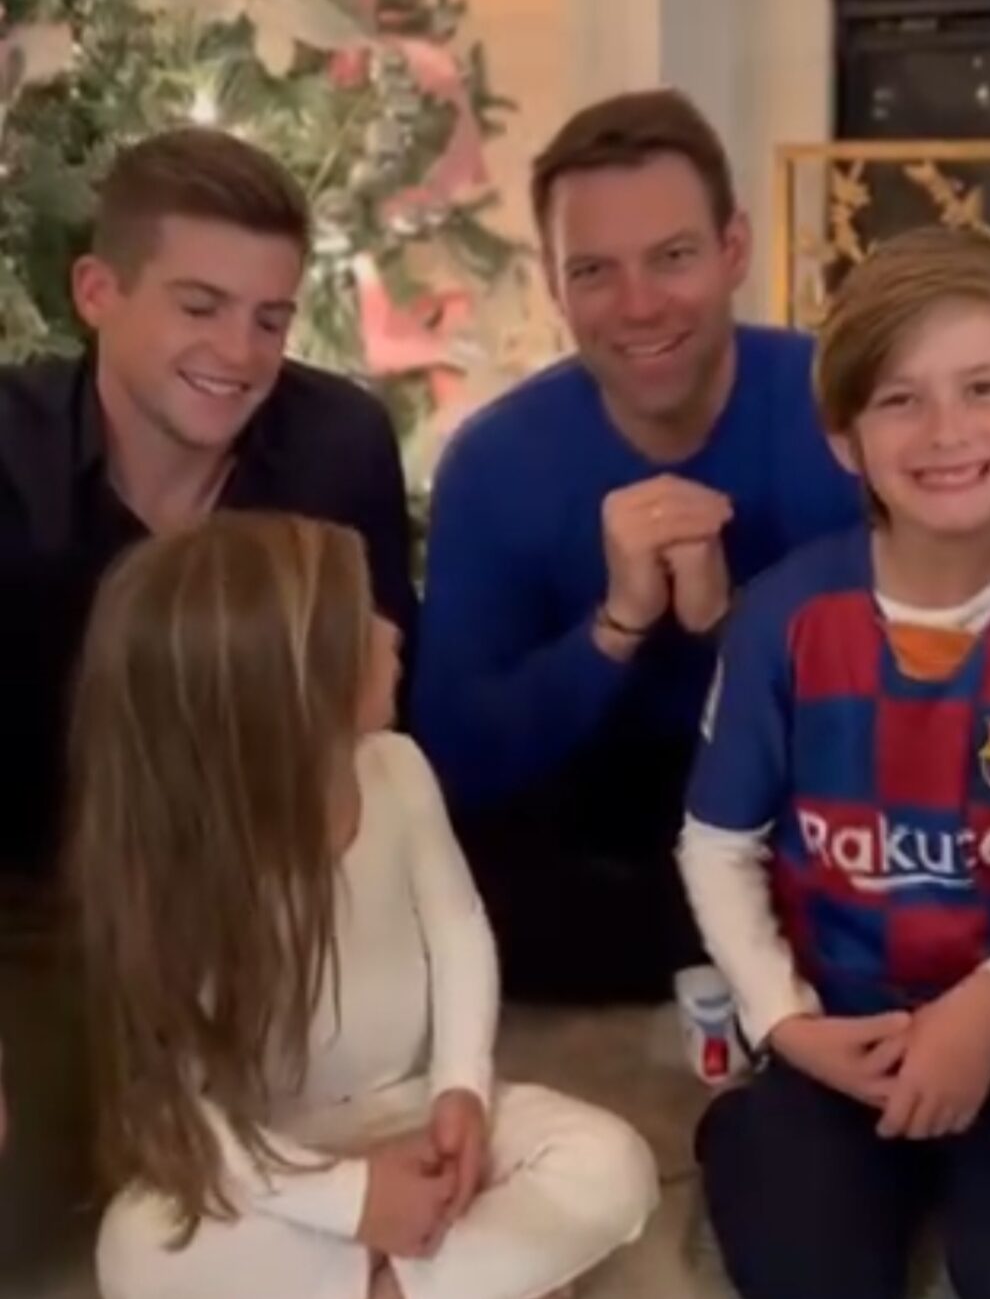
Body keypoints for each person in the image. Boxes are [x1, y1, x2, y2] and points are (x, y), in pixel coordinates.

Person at [69, 512, 658, 1299]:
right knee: (137, 1247)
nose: (393, 630)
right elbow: (188, 1115)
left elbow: (459, 933)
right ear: (288, 691)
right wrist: (351, 1201)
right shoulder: (179, 867)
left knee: (612, 1162)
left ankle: (396, 1285)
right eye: (362, 624)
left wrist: (460, 1085)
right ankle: (451, 1278)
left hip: (413, 1110)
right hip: (275, 1155)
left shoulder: (399, 769)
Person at [681, 227, 990, 1299]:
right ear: (846, 439)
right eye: (901, 399)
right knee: (808, 1267)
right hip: (841, 1026)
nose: (947, 431)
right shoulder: (784, 617)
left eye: (983, 388)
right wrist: (785, 1021)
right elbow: (717, 844)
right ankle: (752, 1123)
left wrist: (988, 1009)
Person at [412, 88, 861, 1003]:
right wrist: (614, 627)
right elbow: (453, 759)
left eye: (673, 258)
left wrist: (732, 625)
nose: (639, 305)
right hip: (589, 839)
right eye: (595, 271)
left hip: (807, 819)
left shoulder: (846, 414)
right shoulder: (494, 463)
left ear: (734, 250)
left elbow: (922, 703)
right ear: (555, 284)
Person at [0, 126, 414, 882]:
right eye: (199, 308)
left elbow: (387, 709)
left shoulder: (340, 447)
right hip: (33, 895)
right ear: (96, 292)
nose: (240, 353)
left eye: (270, 320)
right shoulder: (11, 455)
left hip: (278, 886)